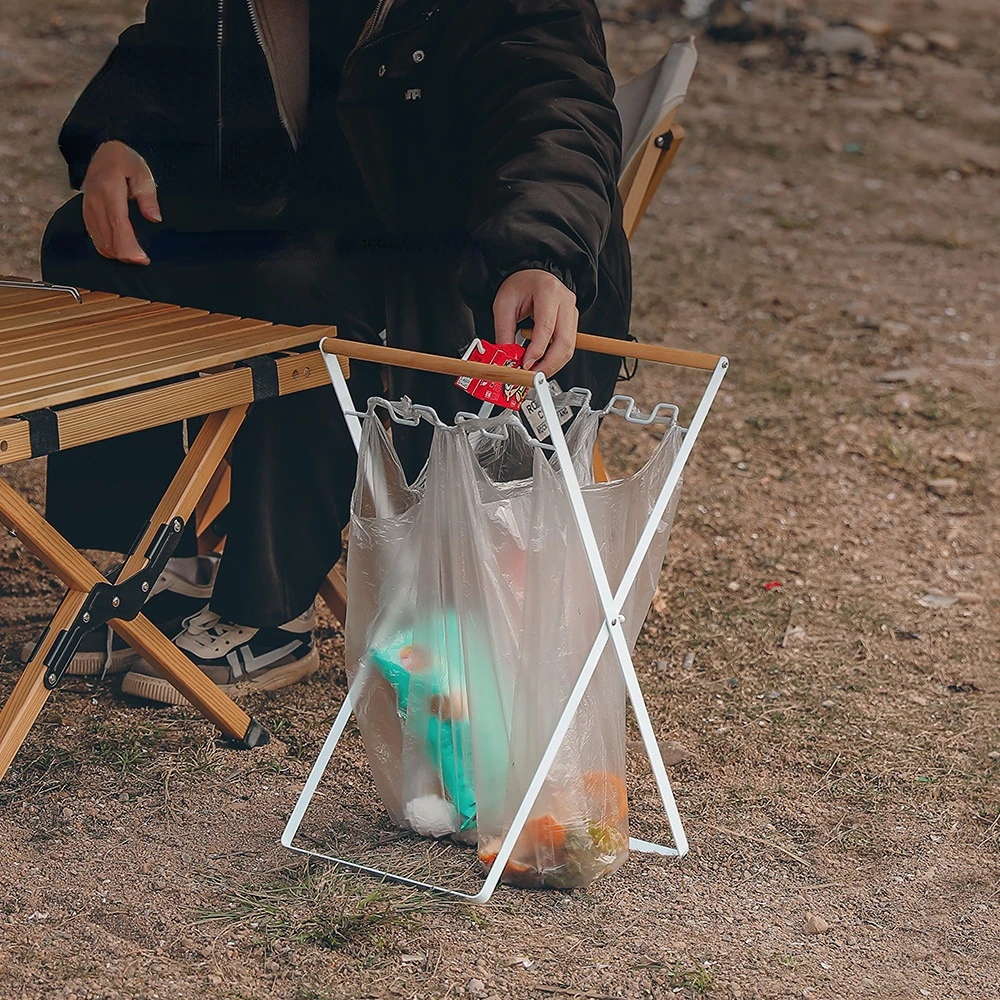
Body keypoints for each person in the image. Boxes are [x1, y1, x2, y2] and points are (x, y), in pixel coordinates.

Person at [38, 0, 631, 704]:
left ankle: (270, 609)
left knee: (300, 289)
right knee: (94, 242)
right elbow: (168, 53)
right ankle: (150, 562)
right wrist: (125, 136)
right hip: (286, 223)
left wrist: (541, 253)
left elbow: (558, 111)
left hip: (466, 273)